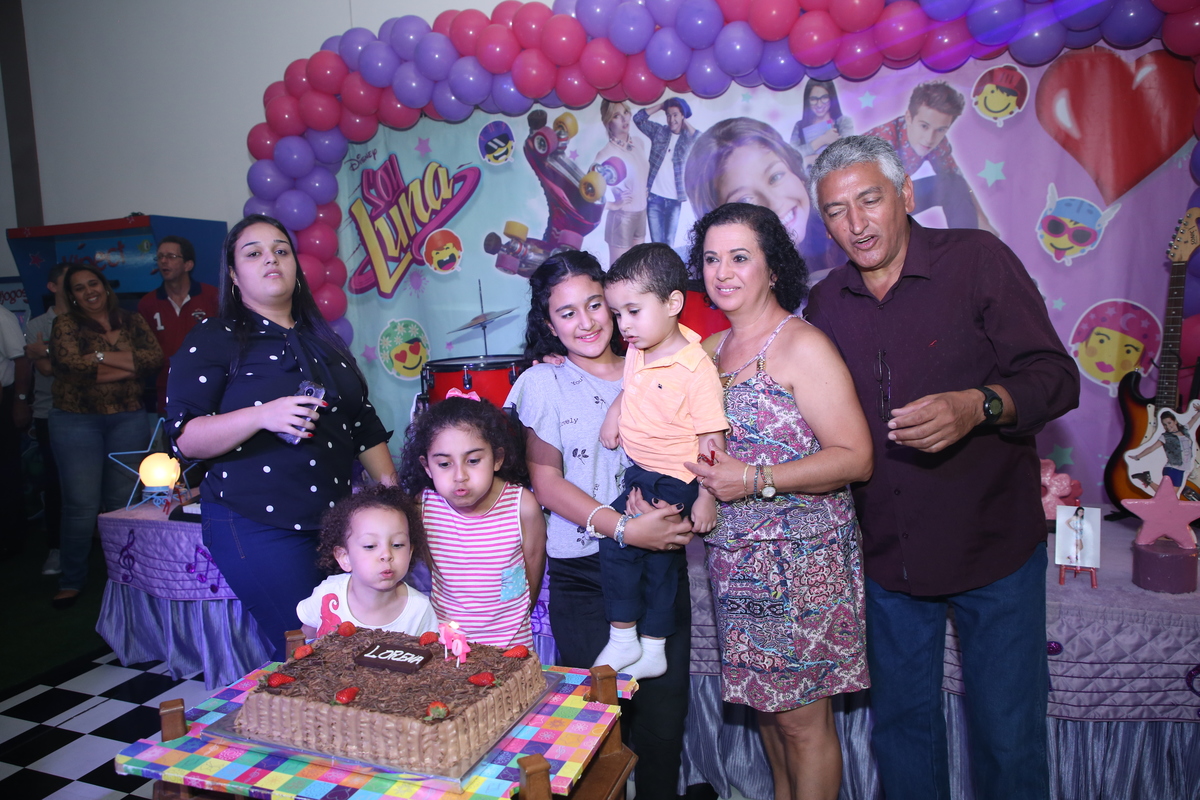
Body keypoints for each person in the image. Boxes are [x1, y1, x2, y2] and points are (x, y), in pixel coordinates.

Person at [805, 135, 1080, 800]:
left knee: (1008, 738)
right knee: (902, 733)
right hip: (889, 559)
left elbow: (1056, 378)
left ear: (905, 195)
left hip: (994, 549)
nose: (857, 223)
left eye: (870, 199)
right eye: (837, 211)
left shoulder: (977, 260)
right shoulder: (826, 302)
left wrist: (979, 404)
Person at [683, 203, 873, 800]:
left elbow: (855, 457)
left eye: (740, 257)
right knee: (767, 713)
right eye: (711, 258)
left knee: (801, 724)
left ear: (772, 268)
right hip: (735, 564)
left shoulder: (801, 345)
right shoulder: (709, 350)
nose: (722, 272)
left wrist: (754, 478)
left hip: (802, 564)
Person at [505, 250, 696, 799]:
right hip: (586, 577)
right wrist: (622, 529)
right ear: (548, 324)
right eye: (567, 313)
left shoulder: (661, 366)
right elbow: (545, 481)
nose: (586, 322)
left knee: (662, 727)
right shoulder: (543, 382)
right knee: (598, 731)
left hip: (659, 568)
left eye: (594, 305)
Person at [168, 214, 395, 661]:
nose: (271, 259)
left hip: (336, 524)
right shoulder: (214, 338)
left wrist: (391, 495)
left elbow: (361, 422)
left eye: (280, 250)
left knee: (357, 644)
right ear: (234, 275)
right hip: (255, 522)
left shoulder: (323, 339)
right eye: (253, 253)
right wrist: (262, 415)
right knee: (313, 652)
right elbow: (186, 439)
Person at [593, 243, 727, 680]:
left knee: (617, 540)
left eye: (633, 311)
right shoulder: (640, 349)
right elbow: (630, 390)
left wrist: (707, 495)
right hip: (642, 471)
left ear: (672, 303)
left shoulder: (695, 369)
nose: (623, 326)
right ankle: (653, 647)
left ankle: (623, 636)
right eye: (617, 314)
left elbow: (712, 437)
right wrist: (614, 413)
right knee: (657, 562)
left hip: (677, 477)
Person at [50, 264, 163, 608]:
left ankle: (125, 575)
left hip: (128, 417)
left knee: (123, 504)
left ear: (105, 286)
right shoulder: (65, 324)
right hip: (77, 421)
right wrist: (128, 366)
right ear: (72, 295)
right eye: (79, 288)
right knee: (82, 505)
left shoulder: (131, 319)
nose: (89, 291)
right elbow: (72, 367)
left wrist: (100, 357)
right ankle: (72, 580)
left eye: (93, 283)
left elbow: (154, 359)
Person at [396, 396, 547, 649]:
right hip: (449, 646)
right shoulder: (424, 507)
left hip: (512, 643)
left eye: (473, 461)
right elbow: (436, 572)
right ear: (427, 466)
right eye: (444, 464)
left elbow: (532, 571)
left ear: (497, 458)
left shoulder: (522, 505)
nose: (460, 476)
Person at [683, 117, 844, 283]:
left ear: (798, 173)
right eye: (745, 199)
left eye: (776, 177)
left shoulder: (848, 240)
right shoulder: (722, 285)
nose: (774, 203)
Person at [298, 485, 439, 637]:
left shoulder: (420, 610)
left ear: (410, 552)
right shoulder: (327, 593)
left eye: (397, 545)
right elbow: (303, 639)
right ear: (344, 557)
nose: (386, 555)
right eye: (370, 546)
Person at [865, 80, 995, 232]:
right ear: (909, 117)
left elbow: (956, 182)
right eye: (924, 126)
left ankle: (967, 241)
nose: (930, 138)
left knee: (953, 183)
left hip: (897, 198)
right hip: (864, 206)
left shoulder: (938, 143)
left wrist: (983, 222)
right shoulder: (883, 139)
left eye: (940, 130)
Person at [22, 262, 70, 575]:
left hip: (87, 411)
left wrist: (47, 351)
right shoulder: (38, 323)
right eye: (69, 280)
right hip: (48, 412)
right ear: (52, 287)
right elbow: (45, 369)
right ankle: (56, 548)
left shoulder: (89, 320)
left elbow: (55, 362)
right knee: (55, 483)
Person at [138, 235, 218, 414]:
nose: (163, 261)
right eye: (160, 257)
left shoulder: (212, 296)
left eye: (171, 256)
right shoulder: (147, 304)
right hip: (167, 389)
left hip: (209, 387)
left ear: (188, 265)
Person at [634, 98, 701, 247]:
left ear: (682, 115)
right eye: (668, 115)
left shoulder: (687, 139)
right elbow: (638, 119)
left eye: (675, 115)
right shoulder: (659, 131)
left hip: (674, 200)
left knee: (669, 243)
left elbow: (701, 140)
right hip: (654, 198)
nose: (671, 119)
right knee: (656, 244)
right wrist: (661, 106)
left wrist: (684, 123)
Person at [595, 100, 650, 266]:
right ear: (608, 122)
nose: (624, 119)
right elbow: (589, 195)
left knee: (638, 271)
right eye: (616, 116)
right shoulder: (605, 154)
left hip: (641, 213)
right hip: (621, 219)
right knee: (619, 273)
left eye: (625, 112)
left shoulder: (639, 143)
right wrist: (613, 204)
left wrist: (642, 190)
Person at [0, 305, 30, 559]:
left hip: (5, 399)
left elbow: (22, 360)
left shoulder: (2, 316)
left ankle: (12, 539)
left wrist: (20, 400)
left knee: (6, 472)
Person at [1130, 408, 1200, 494]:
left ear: (1175, 421)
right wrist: (1137, 457)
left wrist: (1199, 411)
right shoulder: (1165, 437)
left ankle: (1147, 479)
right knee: (1170, 494)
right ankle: (1147, 480)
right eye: (1164, 424)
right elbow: (1152, 448)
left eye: (1169, 423)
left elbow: (1193, 419)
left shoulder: (1184, 430)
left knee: (1169, 494)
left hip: (1182, 468)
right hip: (1172, 468)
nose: (1167, 426)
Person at [790, 79, 854, 169]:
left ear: (831, 98)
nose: (819, 104)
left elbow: (847, 153)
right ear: (807, 100)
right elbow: (791, 155)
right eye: (813, 99)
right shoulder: (799, 126)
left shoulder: (843, 122)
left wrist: (808, 159)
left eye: (824, 98)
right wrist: (822, 140)